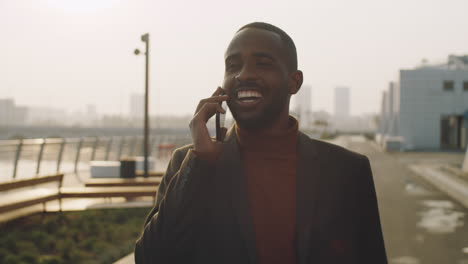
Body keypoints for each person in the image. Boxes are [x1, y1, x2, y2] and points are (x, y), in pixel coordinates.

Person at [135, 22, 387, 264]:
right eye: (233, 66)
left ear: (294, 82)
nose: (243, 75)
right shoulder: (189, 164)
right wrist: (200, 162)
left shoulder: (347, 170)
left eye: (263, 64)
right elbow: (149, 258)